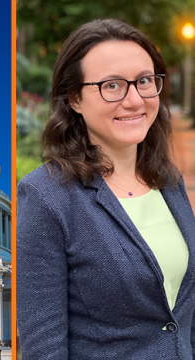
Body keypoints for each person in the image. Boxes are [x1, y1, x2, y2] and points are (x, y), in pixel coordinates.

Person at [17, 19, 195, 359]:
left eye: (144, 81)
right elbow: (45, 349)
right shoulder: (47, 197)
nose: (134, 100)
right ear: (74, 99)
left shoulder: (167, 180)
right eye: (112, 86)